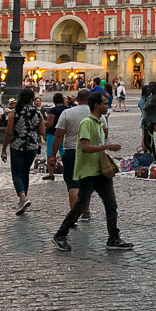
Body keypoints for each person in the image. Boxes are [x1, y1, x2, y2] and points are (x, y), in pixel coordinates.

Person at [52, 92, 131, 252]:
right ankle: (60, 235)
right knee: (80, 206)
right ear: (96, 105)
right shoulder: (87, 123)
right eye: (104, 103)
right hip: (88, 171)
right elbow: (85, 147)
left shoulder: (99, 122)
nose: (107, 106)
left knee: (111, 205)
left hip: (100, 170)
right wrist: (107, 147)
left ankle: (113, 238)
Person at [48, 89, 93, 220]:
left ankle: (74, 215)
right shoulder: (95, 113)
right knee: (87, 183)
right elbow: (105, 133)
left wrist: (52, 155)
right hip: (90, 151)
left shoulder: (67, 112)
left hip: (71, 150)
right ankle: (85, 211)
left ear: (77, 99)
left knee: (73, 185)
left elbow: (59, 134)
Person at [1, 88, 44, 215]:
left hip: (17, 146)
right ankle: (23, 198)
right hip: (32, 146)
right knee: (25, 172)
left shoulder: (15, 112)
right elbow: (42, 131)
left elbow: (9, 132)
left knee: (16, 173)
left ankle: (22, 197)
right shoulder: (38, 113)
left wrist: (4, 149)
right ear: (32, 99)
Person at [43, 92, 67, 180]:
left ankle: (51, 174)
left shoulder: (53, 110)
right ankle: (68, 172)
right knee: (64, 154)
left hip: (53, 133)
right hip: (65, 134)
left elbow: (49, 123)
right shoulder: (67, 109)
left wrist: (42, 121)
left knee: (50, 154)